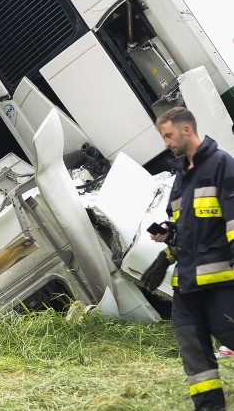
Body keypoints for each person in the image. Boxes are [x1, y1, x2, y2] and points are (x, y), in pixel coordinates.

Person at [141, 106, 234, 411]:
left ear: (186, 130)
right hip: (187, 286)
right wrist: (166, 251)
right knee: (193, 353)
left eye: (167, 135)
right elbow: (184, 229)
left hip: (220, 284)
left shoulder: (222, 164)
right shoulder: (181, 177)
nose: (165, 142)